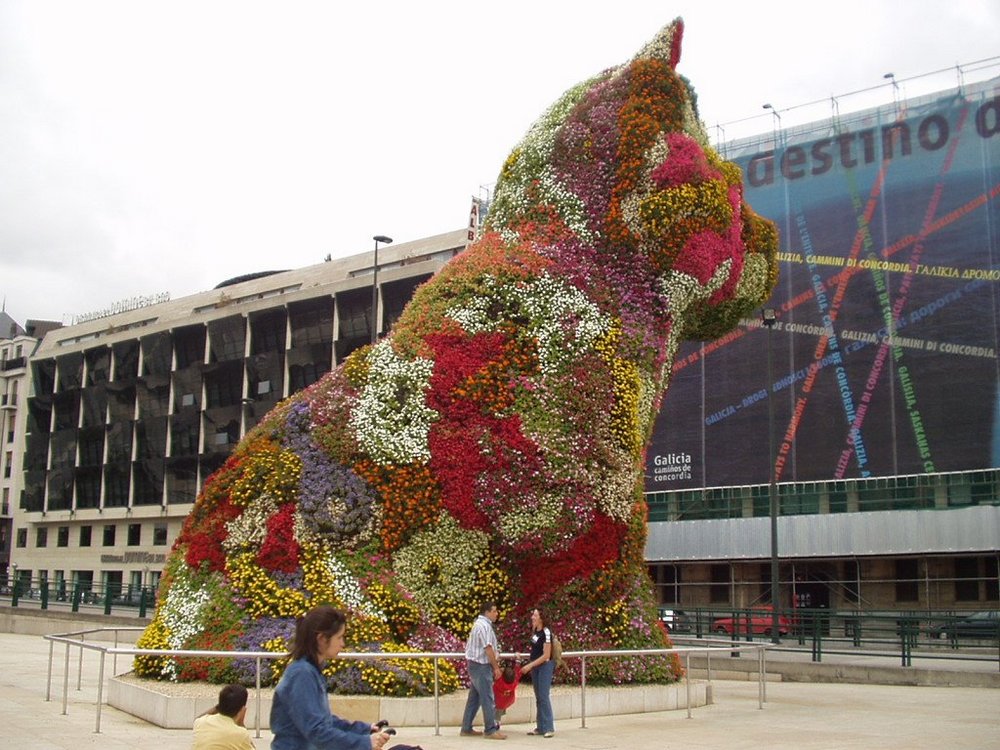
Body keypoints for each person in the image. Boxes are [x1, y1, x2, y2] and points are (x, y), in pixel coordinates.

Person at [270, 606, 392, 750]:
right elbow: (317, 731)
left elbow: (323, 721)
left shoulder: (310, 670)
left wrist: (363, 730)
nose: (343, 643)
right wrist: (364, 743)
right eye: (339, 637)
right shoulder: (301, 674)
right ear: (322, 638)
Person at [460, 601, 506, 740]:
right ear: (487, 612)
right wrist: (496, 667)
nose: (497, 613)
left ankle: (466, 727)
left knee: (474, 698)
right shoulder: (484, 626)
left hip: (475, 665)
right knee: (487, 698)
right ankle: (490, 729)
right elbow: (488, 648)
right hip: (481, 666)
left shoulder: (479, 624)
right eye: (494, 611)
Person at [520, 608, 554, 738]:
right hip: (536, 667)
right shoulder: (535, 631)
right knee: (538, 697)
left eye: (535, 615)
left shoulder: (546, 633)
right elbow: (535, 650)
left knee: (544, 696)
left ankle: (549, 727)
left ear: (541, 618)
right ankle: (540, 727)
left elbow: (546, 655)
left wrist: (530, 665)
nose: (532, 617)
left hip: (544, 666)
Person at [192, 683, 255, 750]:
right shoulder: (241, 734)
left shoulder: (200, 723)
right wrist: (241, 723)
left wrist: (219, 706)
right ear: (242, 710)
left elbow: (200, 718)